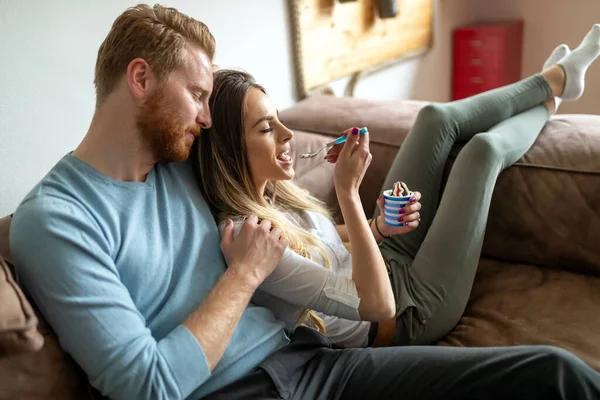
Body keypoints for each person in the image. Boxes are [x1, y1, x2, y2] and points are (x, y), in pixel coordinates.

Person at [7, 1, 600, 397]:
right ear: (140, 80)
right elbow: (148, 386)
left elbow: (274, 185)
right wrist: (243, 278)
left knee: (554, 372)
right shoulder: (58, 221)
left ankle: (550, 88)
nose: (207, 117)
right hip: (251, 388)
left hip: (312, 355)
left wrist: (355, 212)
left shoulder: (182, 164)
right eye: (196, 95)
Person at [196, 25, 600, 350]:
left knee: (434, 120)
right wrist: (349, 196)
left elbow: (321, 242)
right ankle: (553, 95)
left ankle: (554, 83)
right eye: (267, 128)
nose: (288, 135)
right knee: (482, 153)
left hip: (384, 258)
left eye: (280, 119)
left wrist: (378, 228)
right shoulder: (252, 244)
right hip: (407, 312)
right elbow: (375, 303)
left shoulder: (273, 193)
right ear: (231, 148)